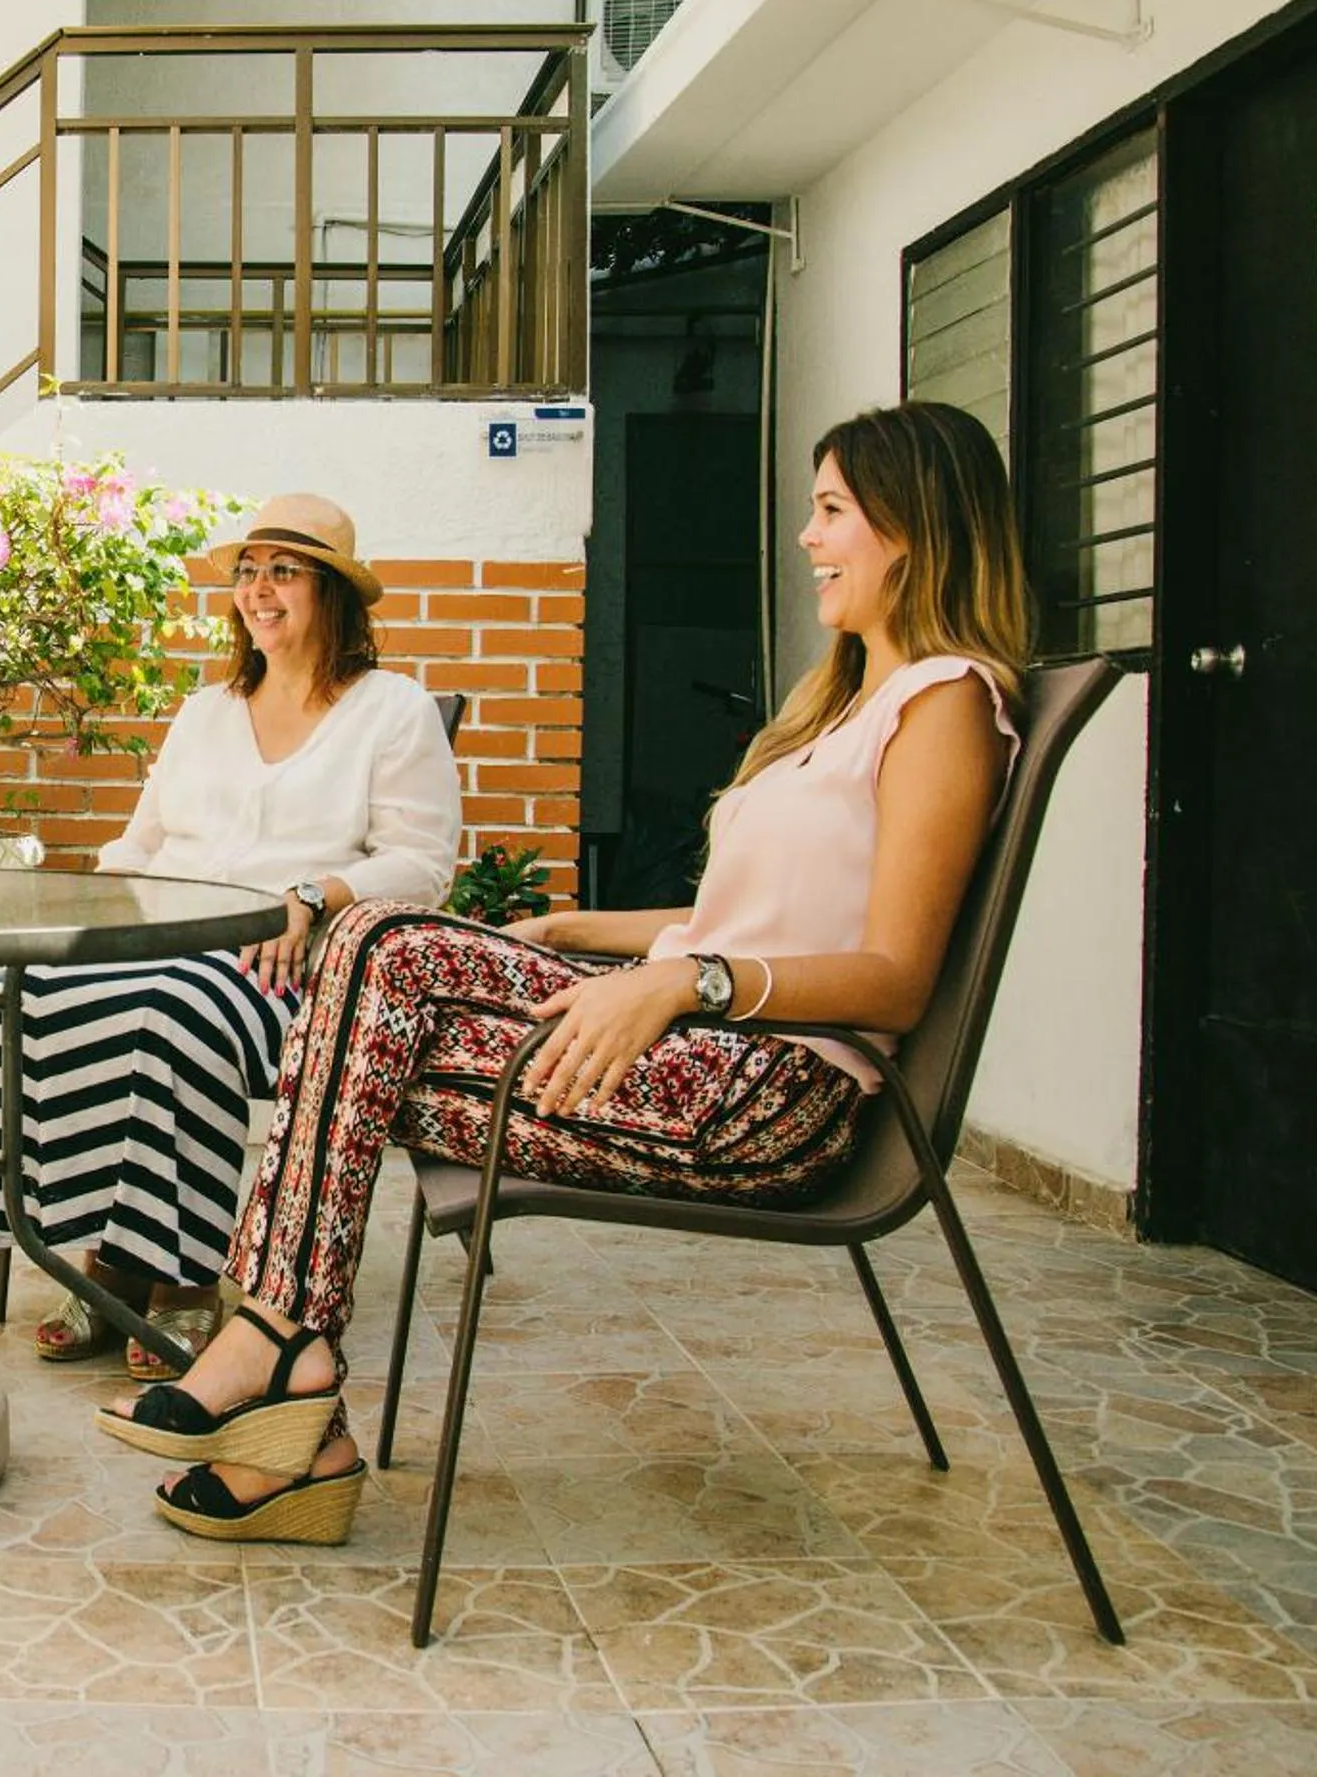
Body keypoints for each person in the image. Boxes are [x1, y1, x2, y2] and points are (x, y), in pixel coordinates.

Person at [101, 402, 1031, 1548]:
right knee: (348, 1041)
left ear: (913, 525)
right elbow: (760, 915)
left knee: (374, 945)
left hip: (765, 1097)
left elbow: (891, 977)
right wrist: (591, 930)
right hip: (692, 1051)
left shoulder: (942, 701)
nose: (806, 537)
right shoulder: (839, 710)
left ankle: (279, 1349)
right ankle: (300, 1417)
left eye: (831, 510)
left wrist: (685, 985)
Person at [0, 493, 460, 1380]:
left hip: (282, 963)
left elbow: (422, 863)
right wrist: (86, 909)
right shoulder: (206, 710)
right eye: (247, 570)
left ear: (332, 592)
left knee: (172, 1011)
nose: (258, 589)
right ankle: (98, 1248)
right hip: (159, 932)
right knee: (29, 989)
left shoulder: (392, 709)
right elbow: (141, 842)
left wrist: (312, 892)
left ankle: (183, 1279)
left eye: (283, 570)